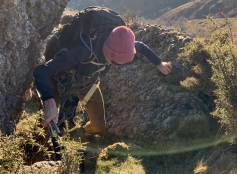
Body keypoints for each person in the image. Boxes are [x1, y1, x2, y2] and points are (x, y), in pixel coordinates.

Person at [33, 25, 172, 135]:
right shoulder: (84, 51)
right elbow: (41, 71)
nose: (122, 64)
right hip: (58, 77)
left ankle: (81, 132)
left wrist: (159, 63)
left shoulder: (123, 46)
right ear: (111, 54)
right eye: (120, 61)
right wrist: (49, 102)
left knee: (99, 125)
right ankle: (38, 146)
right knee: (48, 121)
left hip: (86, 82)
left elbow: (141, 46)